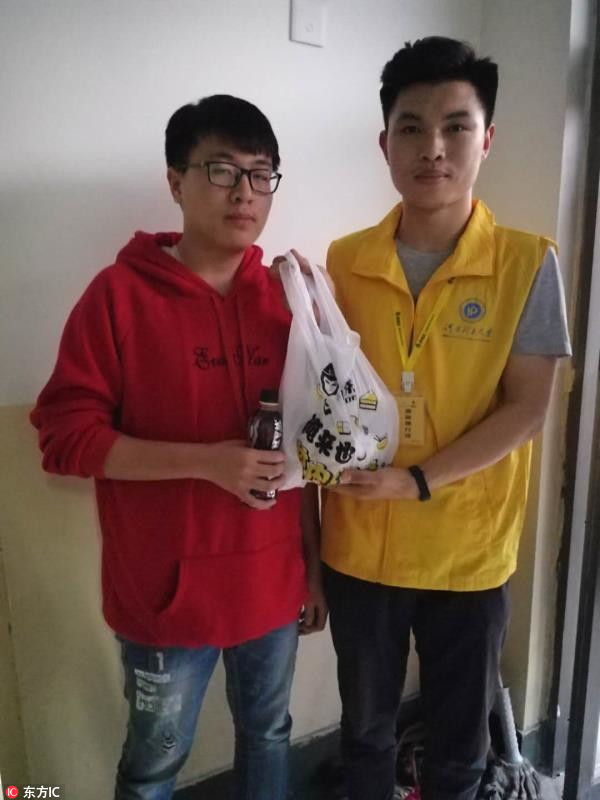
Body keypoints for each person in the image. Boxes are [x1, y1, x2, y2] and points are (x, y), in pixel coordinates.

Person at [30, 94, 327, 800]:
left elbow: (311, 453)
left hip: (272, 586)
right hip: (164, 599)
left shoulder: (288, 301)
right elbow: (65, 438)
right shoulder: (118, 298)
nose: (244, 192)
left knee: (270, 736)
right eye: (221, 170)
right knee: (153, 768)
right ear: (176, 181)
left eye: (261, 173)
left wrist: (313, 570)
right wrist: (205, 462)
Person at [319, 37, 572, 800]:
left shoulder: (528, 262)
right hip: (361, 545)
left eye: (456, 126)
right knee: (365, 735)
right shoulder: (343, 261)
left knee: (461, 746)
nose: (433, 148)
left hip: (468, 549)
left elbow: (527, 408)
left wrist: (418, 481)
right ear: (385, 143)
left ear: (487, 139)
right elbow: (326, 395)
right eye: (411, 127)